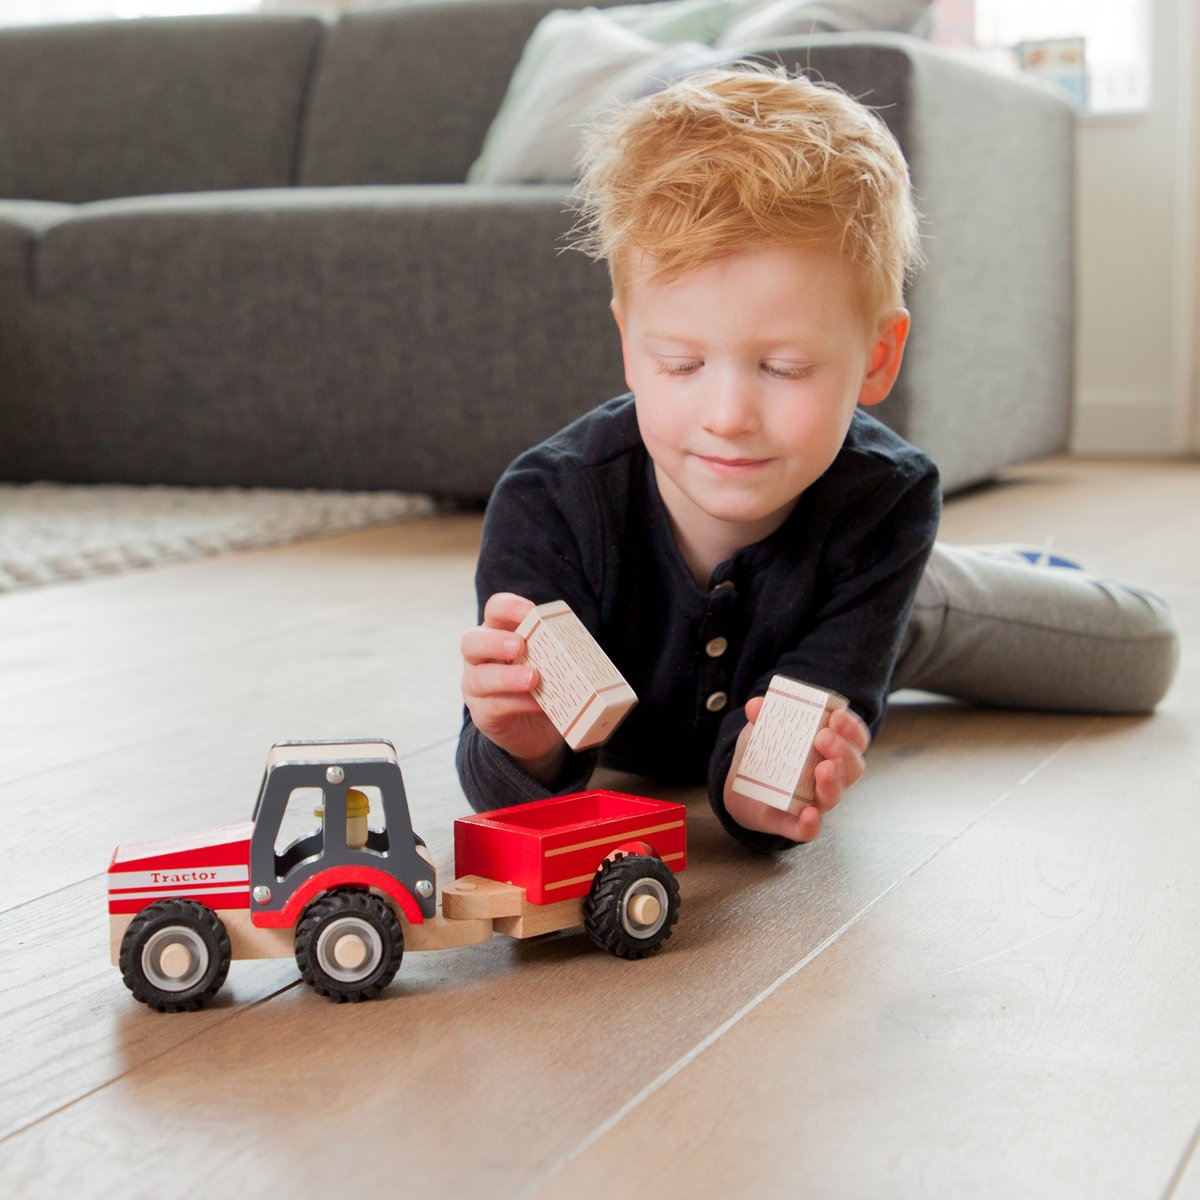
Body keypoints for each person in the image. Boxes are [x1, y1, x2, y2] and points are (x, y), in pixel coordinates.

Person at [456, 66, 1178, 854]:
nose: (728, 418)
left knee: (1144, 655)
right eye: (681, 365)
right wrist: (523, 739)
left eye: (784, 369)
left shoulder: (886, 503)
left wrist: (776, 794)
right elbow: (508, 788)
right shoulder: (548, 505)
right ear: (628, 344)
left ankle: (931, 588)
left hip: (860, 592)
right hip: (813, 590)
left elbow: (760, 786)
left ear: (878, 356)